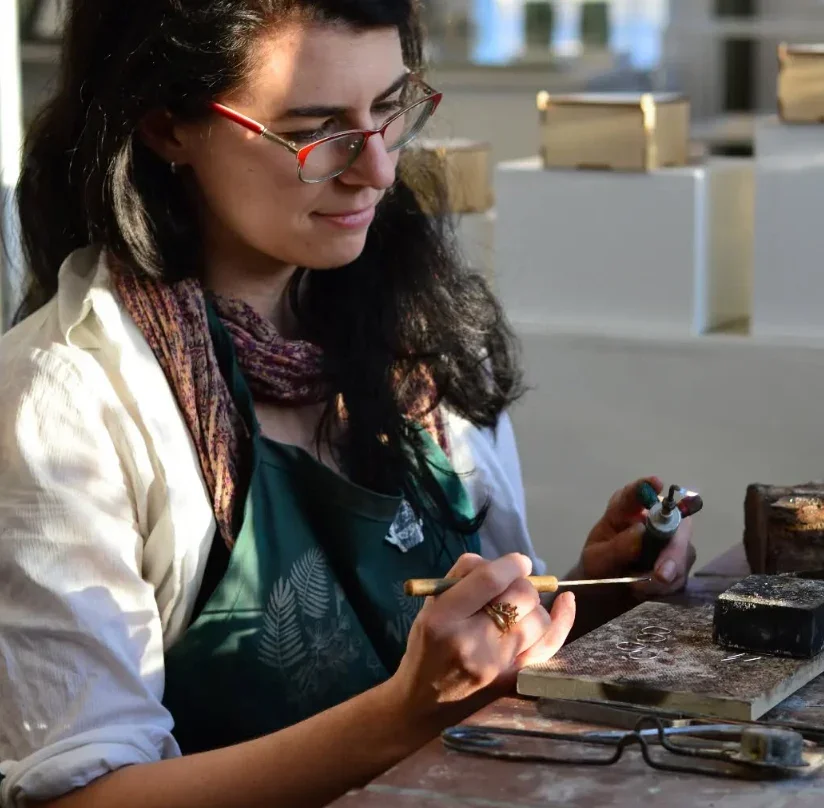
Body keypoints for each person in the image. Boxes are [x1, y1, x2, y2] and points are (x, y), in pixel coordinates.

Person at [0, 1, 696, 806]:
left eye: (390, 108)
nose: (377, 171)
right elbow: (80, 798)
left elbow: (475, 671)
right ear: (166, 127)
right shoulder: (63, 405)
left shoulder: (417, 341)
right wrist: (403, 716)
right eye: (314, 128)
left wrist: (586, 596)